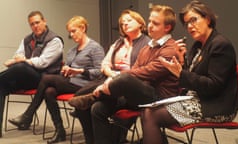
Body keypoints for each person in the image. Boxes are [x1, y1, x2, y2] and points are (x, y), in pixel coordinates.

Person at [71, 5, 181, 144]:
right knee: (97, 109)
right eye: (150, 21)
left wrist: (114, 79)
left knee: (125, 78)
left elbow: (145, 72)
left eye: (155, 23)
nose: (150, 26)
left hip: (159, 98)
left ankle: (94, 95)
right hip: (137, 93)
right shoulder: (148, 48)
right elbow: (134, 70)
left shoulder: (170, 49)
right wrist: (114, 80)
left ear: (167, 27)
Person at [141, 1, 238, 144]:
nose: (190, 26)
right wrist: (182, 61)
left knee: (152, 114)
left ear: (208, 19)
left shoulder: (220, 45)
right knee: (147, 110)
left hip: (215, 106)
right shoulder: (198, 45)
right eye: (187, 23)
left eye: (194, 20)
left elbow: (213, 85)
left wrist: (181, 73)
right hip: (196, 99)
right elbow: (192, 79)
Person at [8, 16, 105, 144]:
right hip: (70, 81)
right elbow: (66, 71)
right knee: (49, 91)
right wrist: (65, 69)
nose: (71, 34)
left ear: (83, 28)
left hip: (85, 85)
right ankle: (59, 131)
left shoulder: (95, 48)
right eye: (70, 32)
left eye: (73, 31)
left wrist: (80, 71)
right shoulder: (72, 51)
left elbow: (99, 72)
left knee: (46, 78)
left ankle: (28, 115)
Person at [68, 9, 150, 144]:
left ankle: (94, 97)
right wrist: (111, 73)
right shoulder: (119, 42)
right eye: (122, 23)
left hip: (128, 87)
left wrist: (117, 75)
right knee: (83, 105)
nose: (125, 25)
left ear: (140, 23)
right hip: (109, 79)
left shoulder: (146, 43)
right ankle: (91, 140)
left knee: (90, 104)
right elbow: (104, 63)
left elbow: (138, 71)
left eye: (129, 21)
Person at [0, 11, 64, 137]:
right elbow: (18, 55)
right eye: (32, 24)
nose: (35, 26)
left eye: (37, 22)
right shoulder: (27, 39)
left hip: (45, 78)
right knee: (1, 86)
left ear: (44, 21)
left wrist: (23, 60)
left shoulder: (55, 40)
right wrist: (15, 60)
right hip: (28, 76)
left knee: (21, 66)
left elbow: (42, 63)